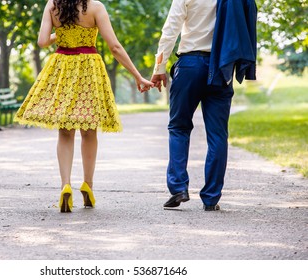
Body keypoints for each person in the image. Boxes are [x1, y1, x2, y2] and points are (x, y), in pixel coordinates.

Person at [14, 0, 153, 213]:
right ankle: (88, 184)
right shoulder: (95, 7)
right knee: (89, 132)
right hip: (89, 69)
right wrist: (138, 76)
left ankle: (65, 185)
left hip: (62, 67)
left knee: (65, 131)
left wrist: (60, 34)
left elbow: (42, 41)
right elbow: (114, 46)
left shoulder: (52, 5)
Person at [150, 0, 257, 211]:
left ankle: (179, 187)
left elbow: (171, 29)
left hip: (190, 66)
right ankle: (211, 198)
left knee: (179, 127)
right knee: (218, 135)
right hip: (221, 67)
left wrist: (159, 67)